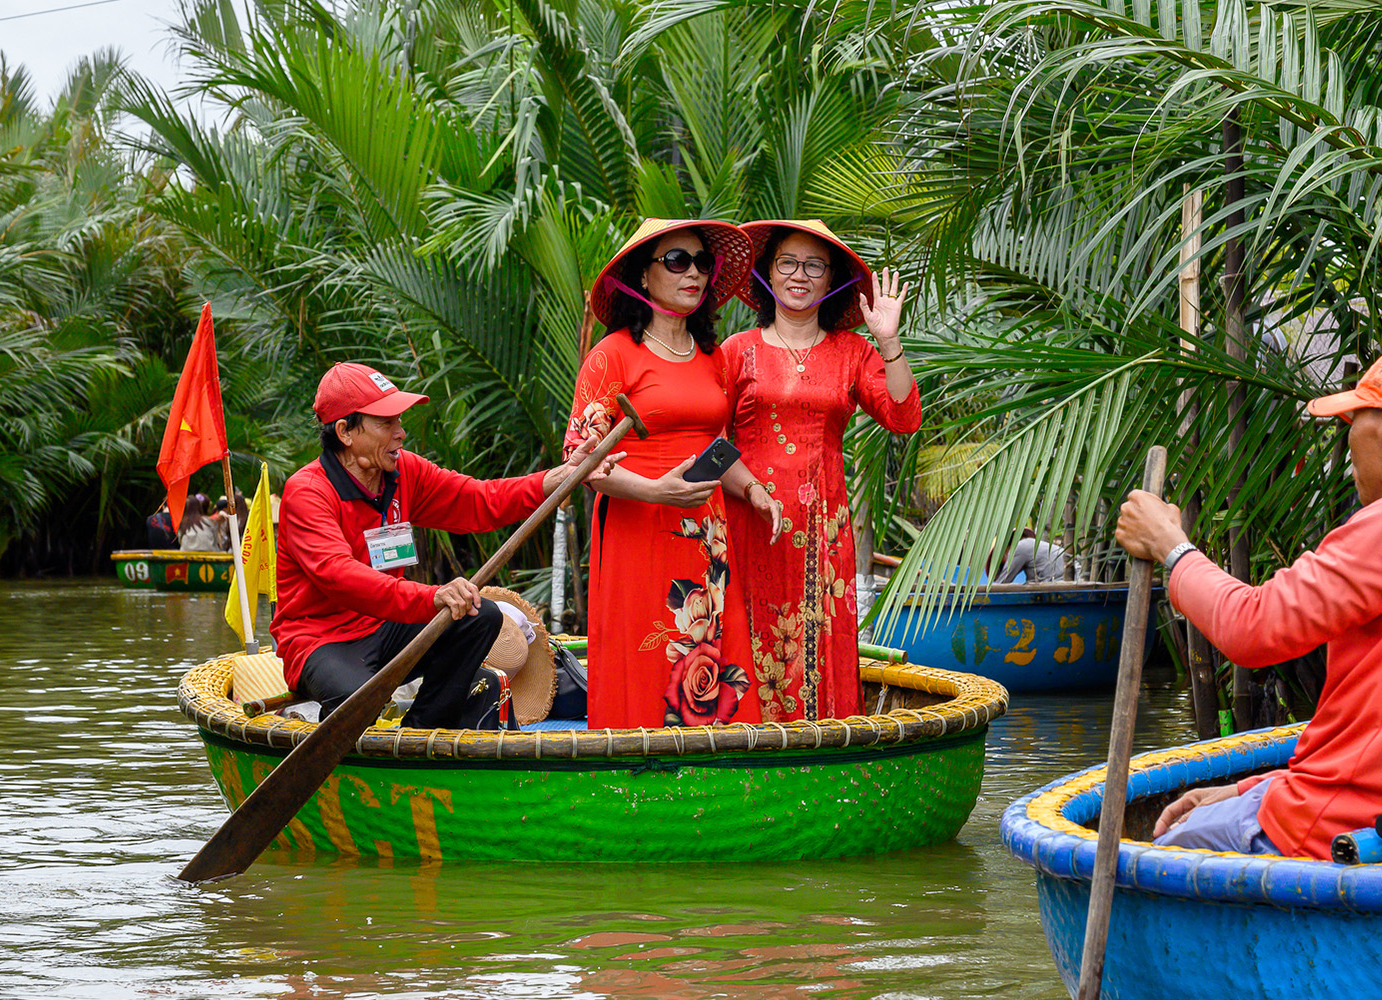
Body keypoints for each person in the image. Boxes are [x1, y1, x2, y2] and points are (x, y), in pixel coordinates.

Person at [1115, 343, 1382, 860]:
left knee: (1160, 847)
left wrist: (1170, 545)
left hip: (1343, 830)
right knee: (1220, 809)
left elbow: (1251, 628)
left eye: (1352, 424)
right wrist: (1254, 788)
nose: (1349, 446)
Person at [273, 361, 618, 729]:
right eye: (386, 423)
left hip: (385, 626)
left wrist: (559, 477)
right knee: (359, 700)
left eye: (400, 421)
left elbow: (479, 501)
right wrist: (432, 596)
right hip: (322, 639)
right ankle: (371, 743)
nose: (400, 433)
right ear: (344, 431)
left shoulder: (403, 471)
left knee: (480, 616)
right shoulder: (308, 491)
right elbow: (341, 576)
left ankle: (419, 732)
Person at [566, 219, 783, 729]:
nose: (694, 273)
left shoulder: (713, 358)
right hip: (635, 529)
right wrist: (656, 491)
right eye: (677, 261)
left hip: (705, 537)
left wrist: (754, 491)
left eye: (702, 262)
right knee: (645, 658)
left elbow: (716, 449)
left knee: (711, 662)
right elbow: (581, 462)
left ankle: (717, 782)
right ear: (643, 277)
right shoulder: (612, 355)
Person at [722, 219, 922, 721]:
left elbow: (904, 417)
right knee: (748, 635)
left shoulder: (852, 352)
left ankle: (822, 745)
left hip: (822, 530)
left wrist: (889, 341)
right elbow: (710, 443)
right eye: (787, 262)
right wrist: (748, 491)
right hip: (748, 522)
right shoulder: (736, 351)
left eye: (814, 265)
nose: (799, 275)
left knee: (821, 640)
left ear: (830, 279)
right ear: (768, 271)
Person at [995, 528, 1067, 584]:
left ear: (1005, 550)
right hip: (1072, 576)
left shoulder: (1020, 547)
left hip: (1061, 580)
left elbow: (1002, 583)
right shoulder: (1033, 546)